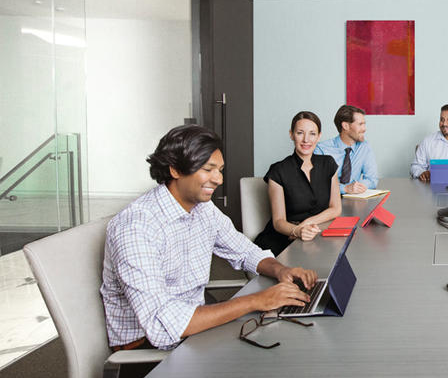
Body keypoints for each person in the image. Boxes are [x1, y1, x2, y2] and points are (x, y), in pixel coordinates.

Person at [100, 125, 318, 351]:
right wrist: (256, 301)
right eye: (208, 169)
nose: (219, 179)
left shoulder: (203, 209)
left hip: (193, 329)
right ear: (175, 170)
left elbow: (245, 251)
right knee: (265, 363)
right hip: (149, 348)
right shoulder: (137, 226)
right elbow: (162, 325)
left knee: (288, 341)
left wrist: (281, 270)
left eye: (220, 169)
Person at [254, 111, 342, 255]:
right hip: (283, 238)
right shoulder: (278, 170)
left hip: (316, 234)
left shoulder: (328, 164)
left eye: (312, 134)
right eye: (300, 133)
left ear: (319, 136)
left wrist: (306, 224)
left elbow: (335, 208)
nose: (306, 140)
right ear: (291, 134)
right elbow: (278, 221)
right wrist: (298, 230)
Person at [315, 105, 379, 194]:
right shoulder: (321, 149)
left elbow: (372, 179)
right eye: (360, 124)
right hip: (326, 201)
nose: (364, 129)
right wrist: (344, 189)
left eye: (364, 124)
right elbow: (318, 183)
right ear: (345, 126)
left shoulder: (364, 147)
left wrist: (359, 186)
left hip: (354, 201)